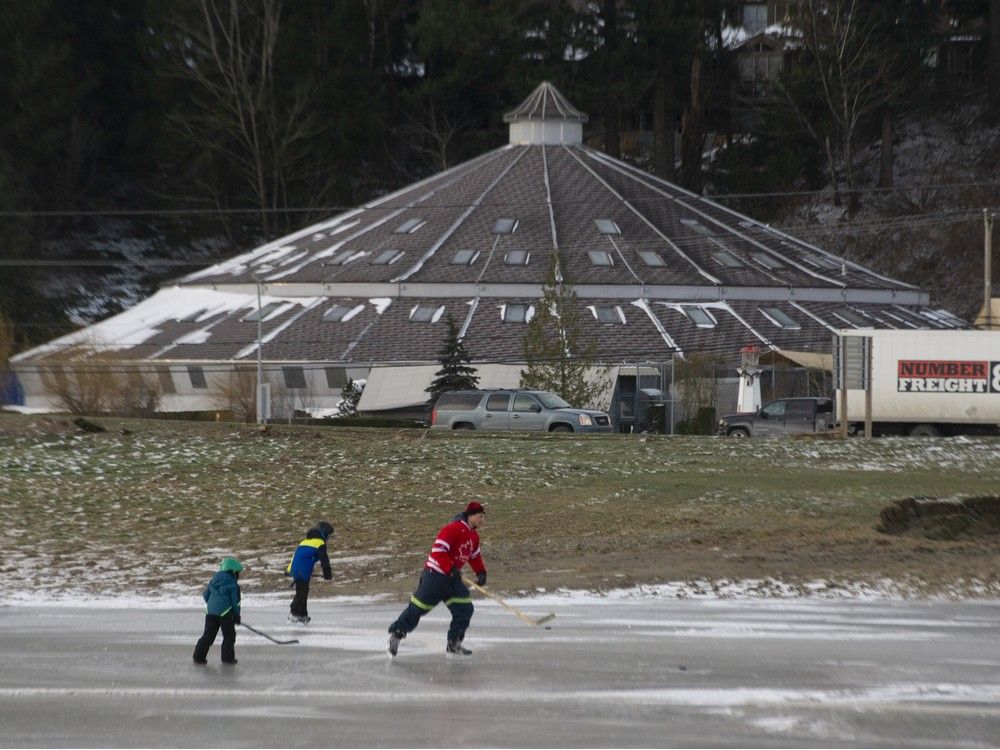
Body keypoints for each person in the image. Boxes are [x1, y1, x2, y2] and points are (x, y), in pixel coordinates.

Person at [388, 501, 487, 657]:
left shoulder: (474, 536)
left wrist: (481, 572)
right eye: (480, 516)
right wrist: (451, 568)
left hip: (452, 579)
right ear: (471, 515)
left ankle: (454, 643)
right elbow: (438, 551)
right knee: (418, 608)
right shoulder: (452, 529)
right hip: (435, 575)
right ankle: (397, 633)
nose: (482, 520)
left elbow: (474, 556)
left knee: (465, 608)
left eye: (483, 517)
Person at [193, 557, 243, 665]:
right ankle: (227, 658)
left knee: (208, 636)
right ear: (233, 572)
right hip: (225, 613)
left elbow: (206, 596)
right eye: (238, 573)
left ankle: (198, 657)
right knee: (229, 636)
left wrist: (214, 605)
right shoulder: (234, 585)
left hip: (210, 612)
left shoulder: (213, 580)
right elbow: (236, 603)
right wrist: (236, 616)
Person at [286, 521, 333, 624]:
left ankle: (302, 615)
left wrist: (289, 570)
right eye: (329, 535)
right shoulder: (320, 543)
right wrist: (328, 575)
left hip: (296, 569)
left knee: (302, 592)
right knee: (302, 594)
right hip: (303, 570)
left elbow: (295, 556)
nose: (328, 538)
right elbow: (325, 561)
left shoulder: (304, 542)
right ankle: (293, 614)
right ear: (324, 533)